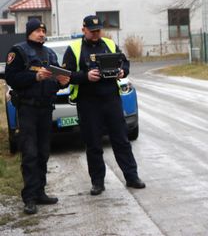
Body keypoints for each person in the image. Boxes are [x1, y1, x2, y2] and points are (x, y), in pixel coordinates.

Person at [62, 15, 145, 195]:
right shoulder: (74, 48)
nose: (95, 34)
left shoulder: (109, 44)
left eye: (98, 30)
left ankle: (132, 177)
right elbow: (65, 75)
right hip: (88, 102)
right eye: (92, 31)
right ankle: (97, 182)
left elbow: (125, 62)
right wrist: (85, 76)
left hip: (111, 100)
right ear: (84, 29)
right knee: (93, 144)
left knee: (121, 140)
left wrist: (123, 71)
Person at [4, 19, 70, 215]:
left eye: (43, 30)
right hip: (28, 109)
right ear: (29, 32)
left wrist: (63, 82)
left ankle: (40, 192)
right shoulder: (18, 51)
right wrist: (35, 77)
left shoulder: (49, 53)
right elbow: (12, 78)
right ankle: (29, 198)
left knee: (43, 152)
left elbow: (56, 80)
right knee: (30, 153)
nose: (41, 33)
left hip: (46, 109)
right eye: (37, 30)